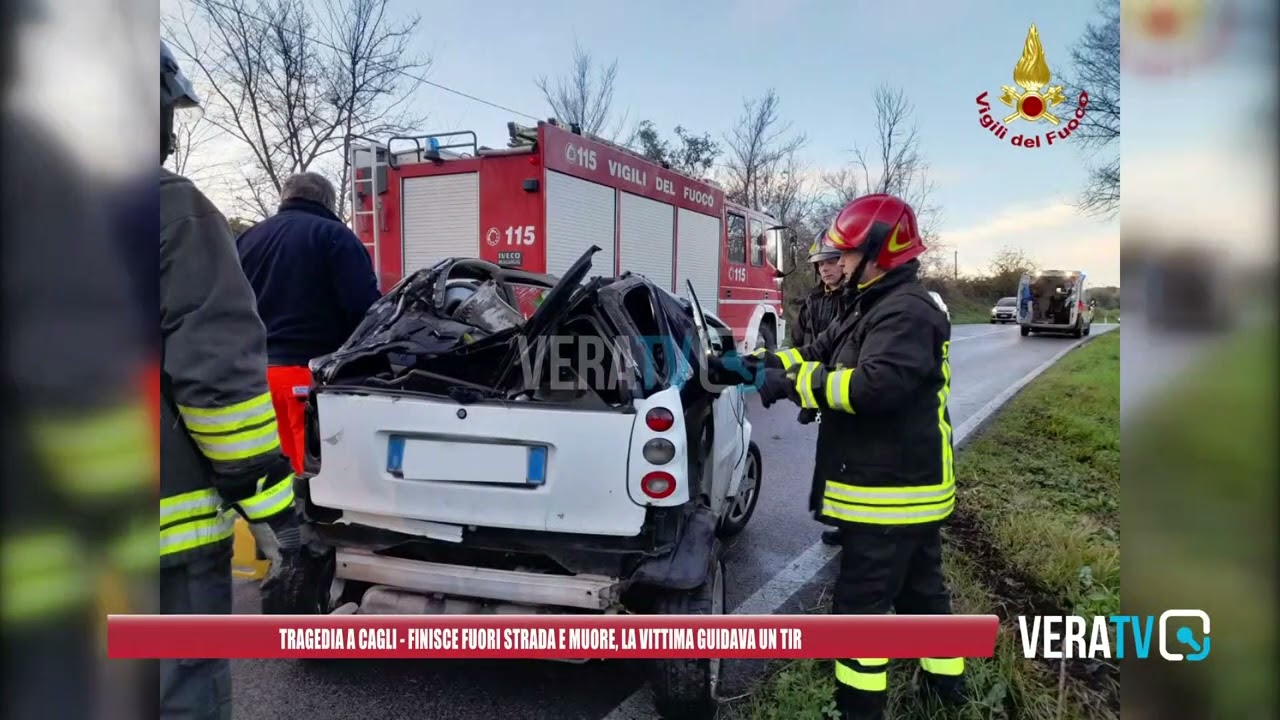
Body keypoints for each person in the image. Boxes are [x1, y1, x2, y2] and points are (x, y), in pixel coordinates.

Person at [716, 193, 966, 720]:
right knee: (923, 597)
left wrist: (791, 384)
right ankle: (949, 697)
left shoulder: (907, 311)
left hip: (892, 494)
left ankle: (858, 711)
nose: (840, 263)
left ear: (881, 251)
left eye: (848, 254)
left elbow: (875, 388)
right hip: (904, 490)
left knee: (860, 617)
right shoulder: (871, 305)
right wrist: (754, 363)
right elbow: (815, 351)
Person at [160, 39, 306, 719]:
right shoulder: (171, 210)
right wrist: (278, 519)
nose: (168, 132)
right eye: (166, 111)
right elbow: (218, 388)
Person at [236, 172, 380, 472]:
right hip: (307, 377)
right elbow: (365, 311)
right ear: (327, 201)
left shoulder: (246, 240)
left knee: (271, 474)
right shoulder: (334, 236)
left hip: (252, 379)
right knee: (314, 479)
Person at [792, 234, 849, 546]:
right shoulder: (811, 302)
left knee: (854, 456)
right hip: (821, 389)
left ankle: (857, 525)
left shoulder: (857, 298)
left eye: (831, 262)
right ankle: (842, 523)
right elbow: (801, 345)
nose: (826, 269)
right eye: (821, 265)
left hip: (851, 389)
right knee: (831, 454)